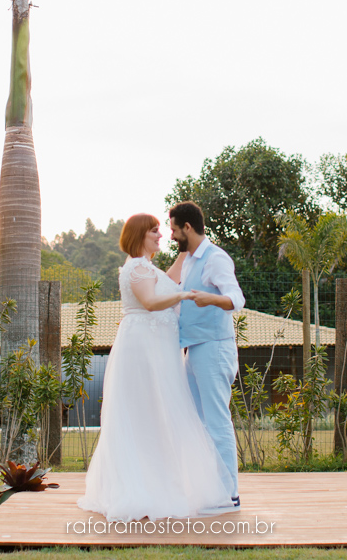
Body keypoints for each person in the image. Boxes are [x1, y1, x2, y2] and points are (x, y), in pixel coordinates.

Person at [76, 213, 234, 521]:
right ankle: (142, 488)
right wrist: (185, 295)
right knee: (146, 413)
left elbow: (172, 275)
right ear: (139, 236)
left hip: (157, 349)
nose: (161, 236)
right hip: (144, 350)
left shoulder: (148, 268)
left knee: (158, 415)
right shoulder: (136, 266)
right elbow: (149, 301)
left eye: (163, 231)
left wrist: (191, 244)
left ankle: (160, 483)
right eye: (154, 232)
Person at [168, 200, 245, 508]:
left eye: (174, 229)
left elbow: (236, 299)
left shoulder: (216, 259)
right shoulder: (187, 259)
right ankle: (208, 490)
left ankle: (229, 494)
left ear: (188, 227)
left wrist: (211, 299)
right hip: (194, 349)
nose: (172, 236)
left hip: (214, 348)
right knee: (197, 422)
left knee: (216, 422)